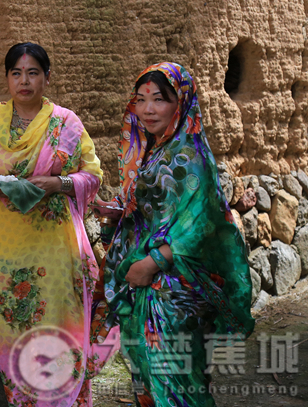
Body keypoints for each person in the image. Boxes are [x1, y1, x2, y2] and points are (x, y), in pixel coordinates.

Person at [0, 42, 116, 407]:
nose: (24, 81)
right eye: (16, 73)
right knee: (18, 325)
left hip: (56, 245)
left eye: (33, 73)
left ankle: (68, 400)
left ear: (47, 77)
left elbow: (92, 175)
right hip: (8, 250)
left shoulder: (66, 123)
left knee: (62, 321)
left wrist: (58, 184)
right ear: (7, 79)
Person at [92, 62, 255, 407]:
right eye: (141, 99)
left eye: (160, 100)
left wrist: (151, 263)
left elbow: (201, 224)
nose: (148, 109)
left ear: (180, 103)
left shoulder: (189, 156)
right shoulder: (152, 152)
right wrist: (119, 213)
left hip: (174, 293)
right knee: (149, 383)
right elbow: (155, 213)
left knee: (177, 387)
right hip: (142, 287)